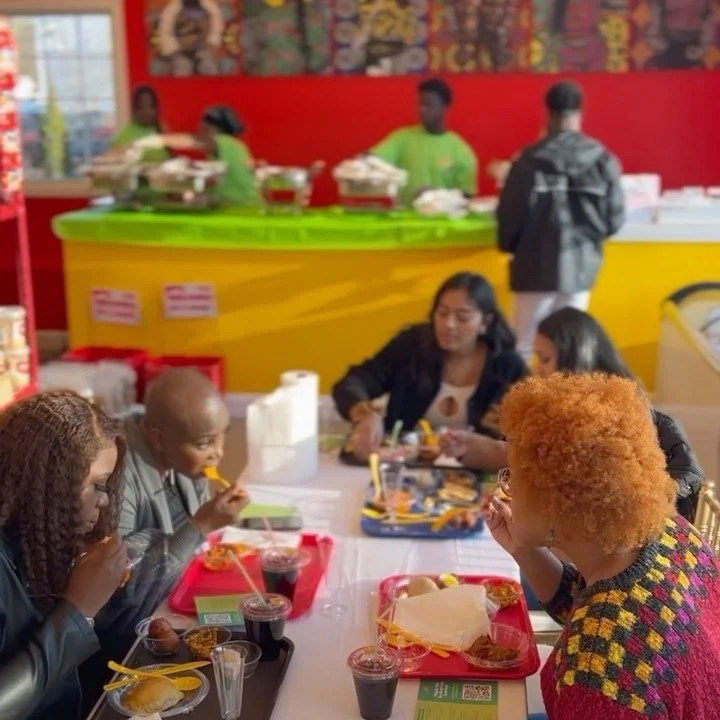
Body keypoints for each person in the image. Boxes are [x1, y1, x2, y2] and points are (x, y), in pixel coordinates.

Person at [481, 373, 720, 719]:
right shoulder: (673, 532)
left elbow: (603, 635)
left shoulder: (594, 670)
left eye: (516, 474)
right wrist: (522, 548)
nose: (509, 487)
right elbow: (588, 610)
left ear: (559, 504)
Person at [442, 307, 703, 521]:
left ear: (576, 359)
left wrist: (498, 455)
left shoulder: (617, 414)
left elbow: (581, 490)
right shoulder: (560, 408)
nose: (536, 369)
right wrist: (483, 449)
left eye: (544, 359)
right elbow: (528, 460)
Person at [0, 392, 129, 720]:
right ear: (47, 484)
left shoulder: (31, 546)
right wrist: (78, 609)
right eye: (96, 484)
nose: (103, 502)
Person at [333, 272, 526, 460]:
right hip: (404, 467)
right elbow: (353, 382)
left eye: (462, 318)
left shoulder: (507, 367)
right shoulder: (411, 346)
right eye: (442, 313)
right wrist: (364, 415)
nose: (448, 324)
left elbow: (524, 436)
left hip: (471, 479)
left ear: (485, 321)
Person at [497, 80, 625, 361]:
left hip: (532, 269)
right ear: (580, 113)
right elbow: (614, 220)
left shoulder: (527, 161)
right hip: (580, 270)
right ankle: (567, 405)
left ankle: (519, 405)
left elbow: (509, 220)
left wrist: (508, 246)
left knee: (523, 347)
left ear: (548, 113)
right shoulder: (601, 160)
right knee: (574, 349)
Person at [370, 78, 478, 205]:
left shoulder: (461, 151)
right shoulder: (402, 138)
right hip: (405, 220)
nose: (421, 110)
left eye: (428, 105)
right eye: (420, 104)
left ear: (444, 107)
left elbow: (467, 196)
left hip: (444, 222)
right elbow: (374, 160)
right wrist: (360, 163)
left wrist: (435, 196)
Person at [196, 105, 258, 206]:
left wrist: (163, 139)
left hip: (237, 205)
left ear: (211, 127)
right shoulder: (236, 145)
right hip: (244, 204)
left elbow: (198, 142)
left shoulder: (224, 141)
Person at [110, 85, 168, 162]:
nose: (147, 111)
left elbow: (167, 158)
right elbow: (110, 157)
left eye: (151, 106)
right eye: (142, 107)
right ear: (135, 109)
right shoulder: (125, 132)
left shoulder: (161, 127)